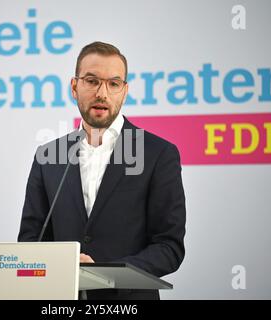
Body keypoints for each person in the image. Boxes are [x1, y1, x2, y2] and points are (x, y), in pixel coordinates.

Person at [18, 41, 186, 300]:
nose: (102, 93)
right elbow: (31, 243)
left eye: (114, 84)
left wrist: (105, 274)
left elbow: (169, 247)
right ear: (74, 87)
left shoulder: (158, 154)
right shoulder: (48, 157)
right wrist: (61, 267)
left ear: (124, 91)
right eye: (92, 81)